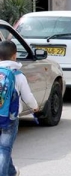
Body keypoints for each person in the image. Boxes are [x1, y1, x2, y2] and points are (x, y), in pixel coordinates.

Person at [0, 41, 38, 176]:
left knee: (3, 148)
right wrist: (35, 107)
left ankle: (11, 172)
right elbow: (27, 96)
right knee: (4, 148)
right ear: (14, 56)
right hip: (10, 117)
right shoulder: (18, 75)